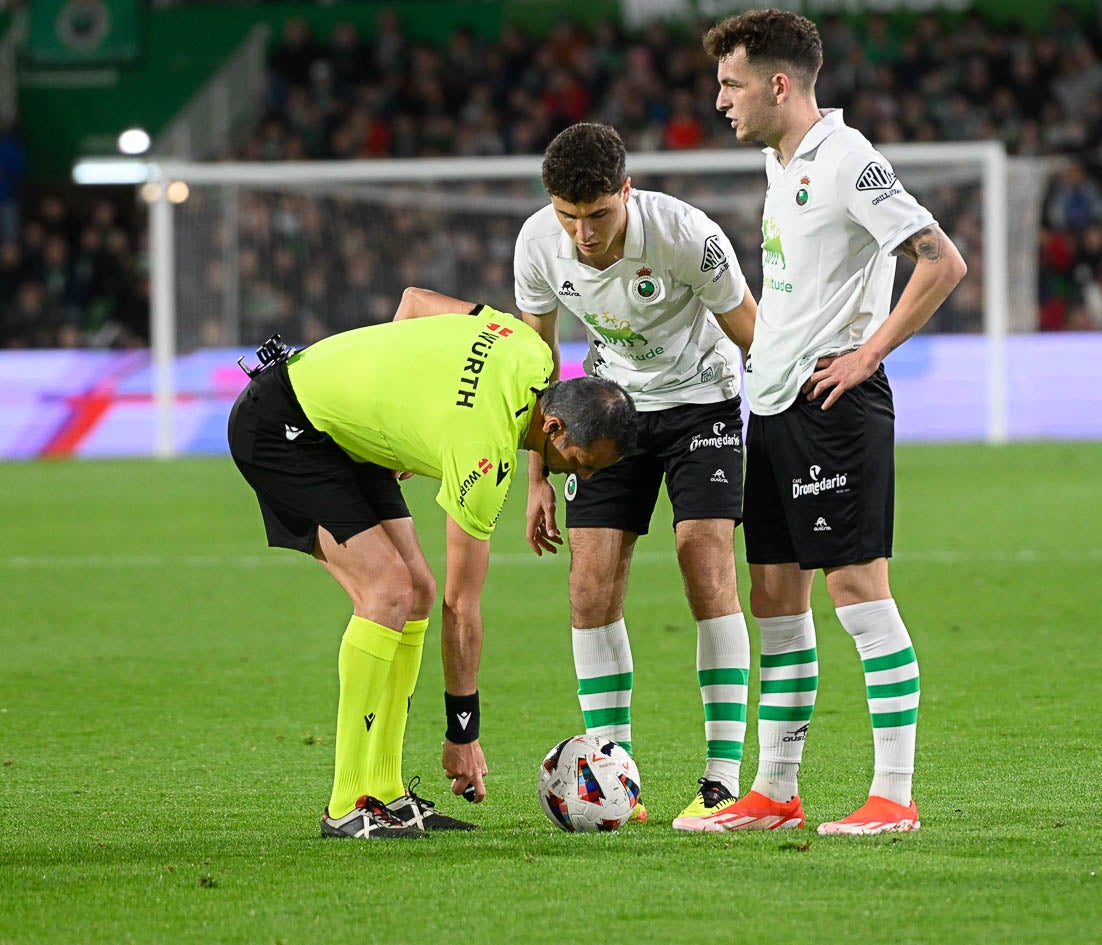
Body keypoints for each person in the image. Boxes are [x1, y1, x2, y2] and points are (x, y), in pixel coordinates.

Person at [396, 121, 759, 824]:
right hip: (604, 412)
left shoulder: (686, 234)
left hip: (701, 402)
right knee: (589, 583)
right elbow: (537, 363)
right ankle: (610, 770)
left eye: (597, 214)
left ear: (627, 190)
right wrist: (536, 475)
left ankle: (719, 775)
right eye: (569, 216)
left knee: (702, 556)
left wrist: (781, 426)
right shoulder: (538, 243)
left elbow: (751, 330)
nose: (583, 233)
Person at [681, 9, 967, 835]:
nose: (719, 101)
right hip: (768, 405)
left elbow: (940, 259)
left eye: (730, 84)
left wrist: (867, 353)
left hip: (831, 404)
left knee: (856, 589)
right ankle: (775, 790)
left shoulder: (846, 159)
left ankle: (894, 794)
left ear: (778, 84)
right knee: (774, 596)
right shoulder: (784, 162)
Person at [227, 308, 637, 838]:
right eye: (582, 462)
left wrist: (397, 410)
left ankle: (386, 791)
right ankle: (346, 802)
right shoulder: (483, 455)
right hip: (285, 426)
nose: (582, 475)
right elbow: (462, 605)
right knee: (387, 591)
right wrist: (463, 732)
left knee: (414, 590)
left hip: (343, 432)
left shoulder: (529, 348)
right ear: (554, 426)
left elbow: (418, 300)